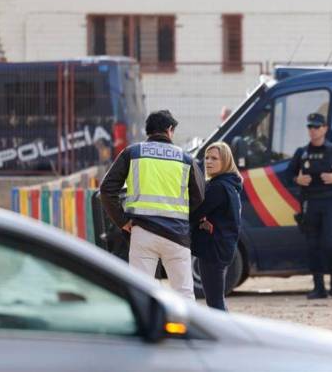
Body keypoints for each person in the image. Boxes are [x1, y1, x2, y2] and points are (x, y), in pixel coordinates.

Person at [99, 110, 205, 300]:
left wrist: (122, 221)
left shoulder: (132, 153)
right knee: (184, 293)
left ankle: (148, 330)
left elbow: (107, 190)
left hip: (143, 233)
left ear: (148, 130)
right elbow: (198, 197)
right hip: (177, 236)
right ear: (169, 130)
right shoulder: (186, 158)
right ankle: (187, 329)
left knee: (142, 294)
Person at [286, 113, 332, 299]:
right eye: (310, 127)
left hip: (331, 203)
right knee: (313, 246)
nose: (313, 130)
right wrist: (298, 179)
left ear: (325, 128)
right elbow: (288, 175)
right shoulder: (301, 153)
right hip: (310, 203)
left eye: (317, 127)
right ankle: (318, 288)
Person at [190, 142, 242, 311]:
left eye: (214, 158)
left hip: (214, 250)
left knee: (215, 303)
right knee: (216, 300)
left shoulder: (218, 187)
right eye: (206, 157)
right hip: (223, 248)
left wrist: (199, 220)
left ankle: (226, 335)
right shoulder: (230, 184)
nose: (208, 162)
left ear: (225, 161)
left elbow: (194, 213)